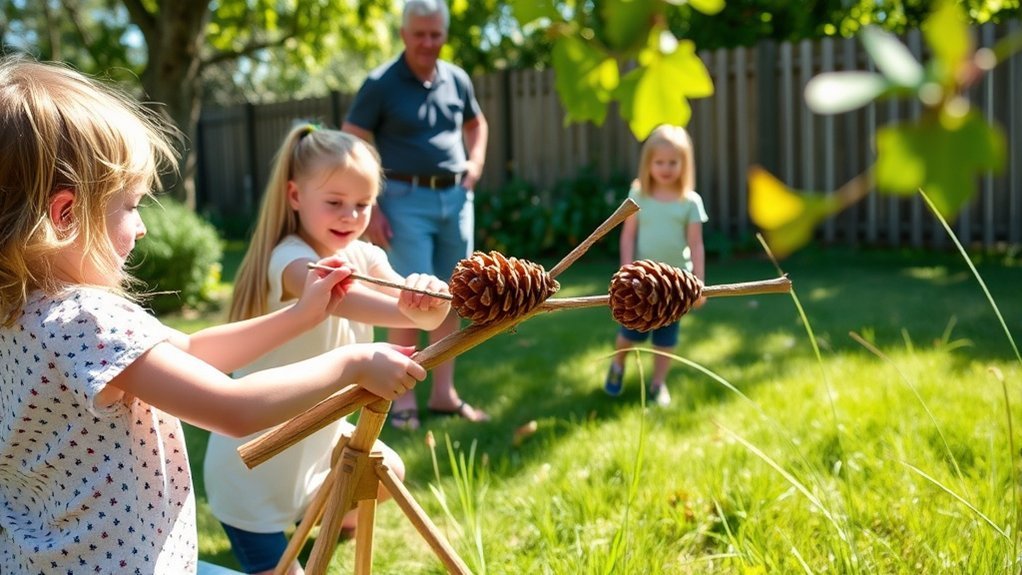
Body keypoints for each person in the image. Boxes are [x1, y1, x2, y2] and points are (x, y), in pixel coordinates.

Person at [0, 55, 428, 574]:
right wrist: (353, 364)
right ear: (65, 215)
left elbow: (192, 350)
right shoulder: (86, 319)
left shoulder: (24, 313)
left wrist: (299, 316)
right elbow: (231, 408)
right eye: (131, 206)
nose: (142, 229)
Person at [202, 124, 452, 575]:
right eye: (334, 203)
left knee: (386, 471)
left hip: (315, 448)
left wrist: (426, 300)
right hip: (253, 466)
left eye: (363, 205)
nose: (350, 216)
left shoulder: (366, 254)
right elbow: (347, 299)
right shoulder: (290, 259)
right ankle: (296, 527)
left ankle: (331, 517)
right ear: (295, 196)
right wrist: (413, 311)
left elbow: (418, 313)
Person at [342, 0, 489, 430]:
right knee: (410, 300)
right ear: (404, 34)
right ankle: (402, 401)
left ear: (444, 35)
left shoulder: (456, 79)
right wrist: (373, 207)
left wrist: (475, 164)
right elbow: (353, 140)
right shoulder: (381, 84)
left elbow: (476, 124)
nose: (428, 43)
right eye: (419, 34)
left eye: (435, 35)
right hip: (402, 201)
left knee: (452, 297)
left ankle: (444, 395)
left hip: (455, 199)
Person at [604, 124, 708, 407]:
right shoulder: (638, 195)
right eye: (659, 162)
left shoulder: (690, 202)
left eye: (673, 162)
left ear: (684, 164)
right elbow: (628, 236)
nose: (665, 168)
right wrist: (625, 273)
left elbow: (696, 244)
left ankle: (658, 384)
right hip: (641, 285)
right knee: (630, 334)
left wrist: (699, 283)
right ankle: (618, 364)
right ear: (647, 163)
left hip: (677, 286)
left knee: (666, 340)